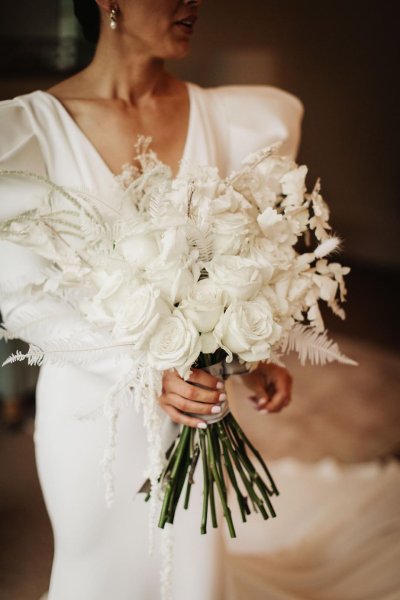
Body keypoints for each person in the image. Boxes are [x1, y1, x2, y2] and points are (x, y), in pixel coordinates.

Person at [0, 0, 303, 598]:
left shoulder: (234, 119)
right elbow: (22, 300)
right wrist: (142, 369)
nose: (193, 2)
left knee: (196, 566)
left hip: (198, 403)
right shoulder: (24, 133)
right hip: (93, 415)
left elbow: (231, 264)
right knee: (99, 572)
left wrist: (245, 354)